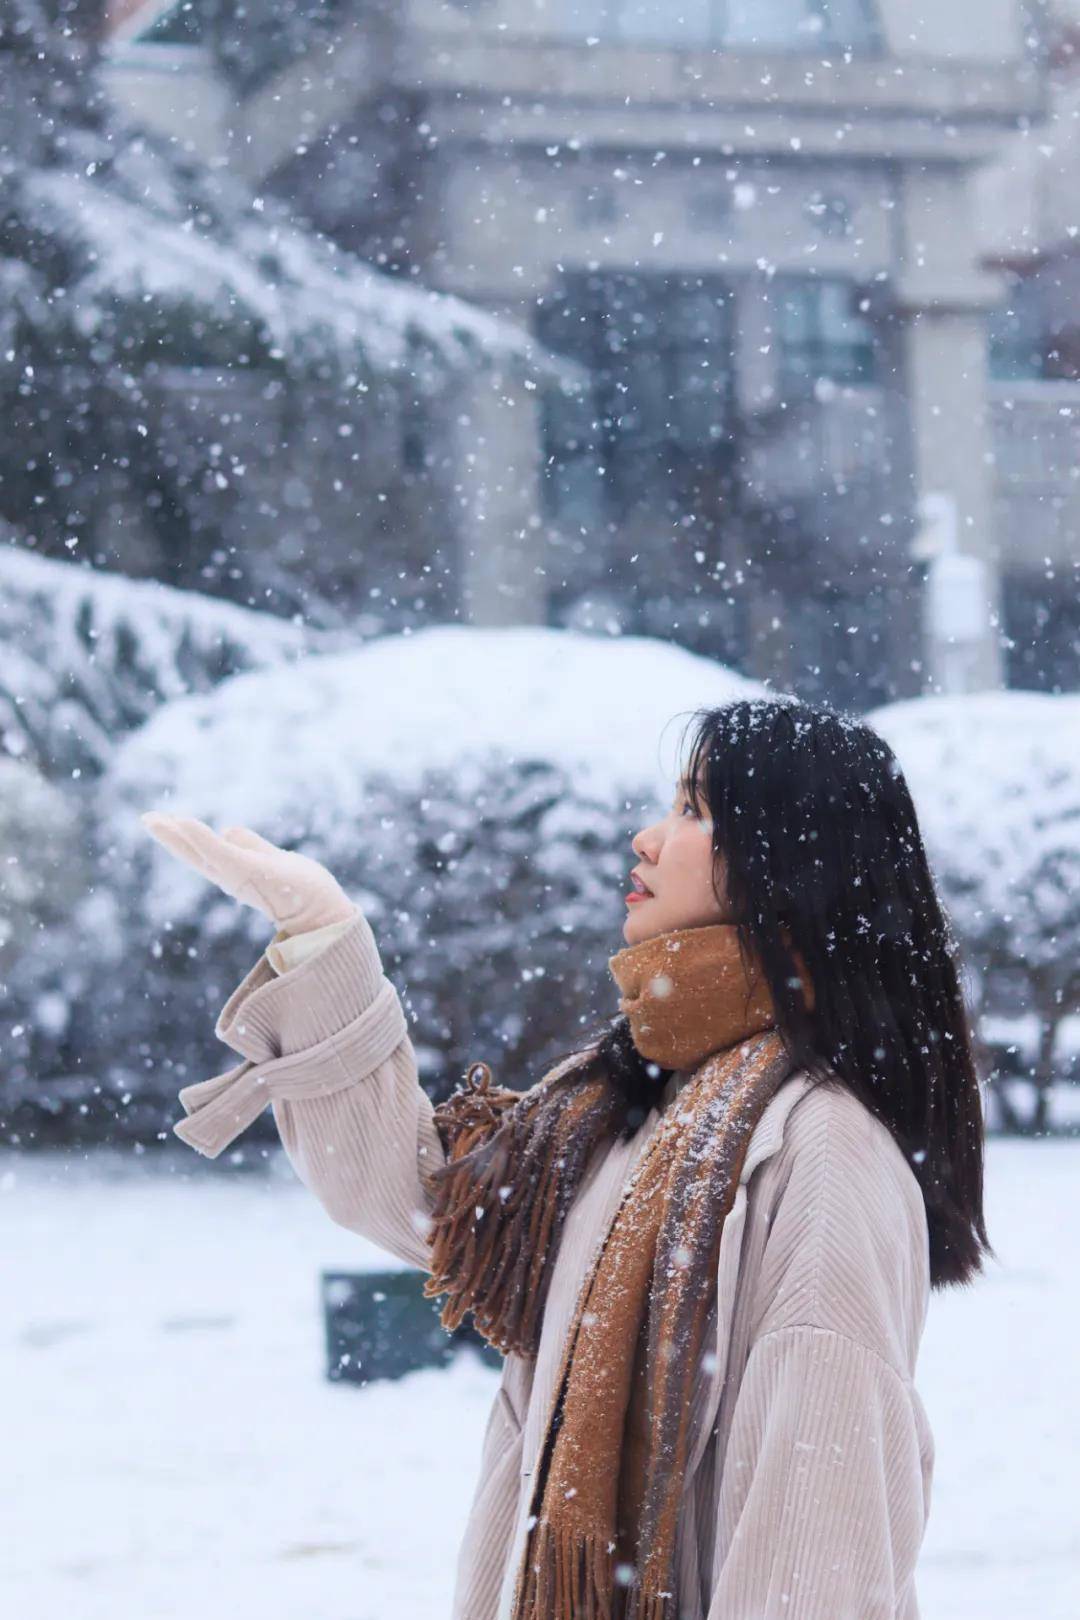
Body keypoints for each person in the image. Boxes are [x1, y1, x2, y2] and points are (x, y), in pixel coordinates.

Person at [142, 695, 989, 1620]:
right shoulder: (630, 1103)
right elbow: (432, 1205)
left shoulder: (820, 1152)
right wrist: (326, 941)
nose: (647, 838)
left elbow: (818, 1546)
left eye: (695, 811)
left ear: (790, 867)